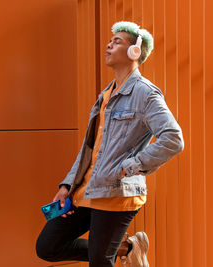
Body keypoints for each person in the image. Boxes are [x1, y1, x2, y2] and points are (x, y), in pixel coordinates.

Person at [35, 21, 184, 267]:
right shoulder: (106, 95)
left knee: (100, 261)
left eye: (117, 42)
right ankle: (127, 248)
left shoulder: (146, 93)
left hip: (117, 193)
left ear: (134, 52)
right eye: (110, 40)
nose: (109, 44)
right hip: (88, 189)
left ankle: (117, 250)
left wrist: (132, 166)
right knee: (48, 247)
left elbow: (173, 139)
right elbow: (90, 148)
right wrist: (68, 184)